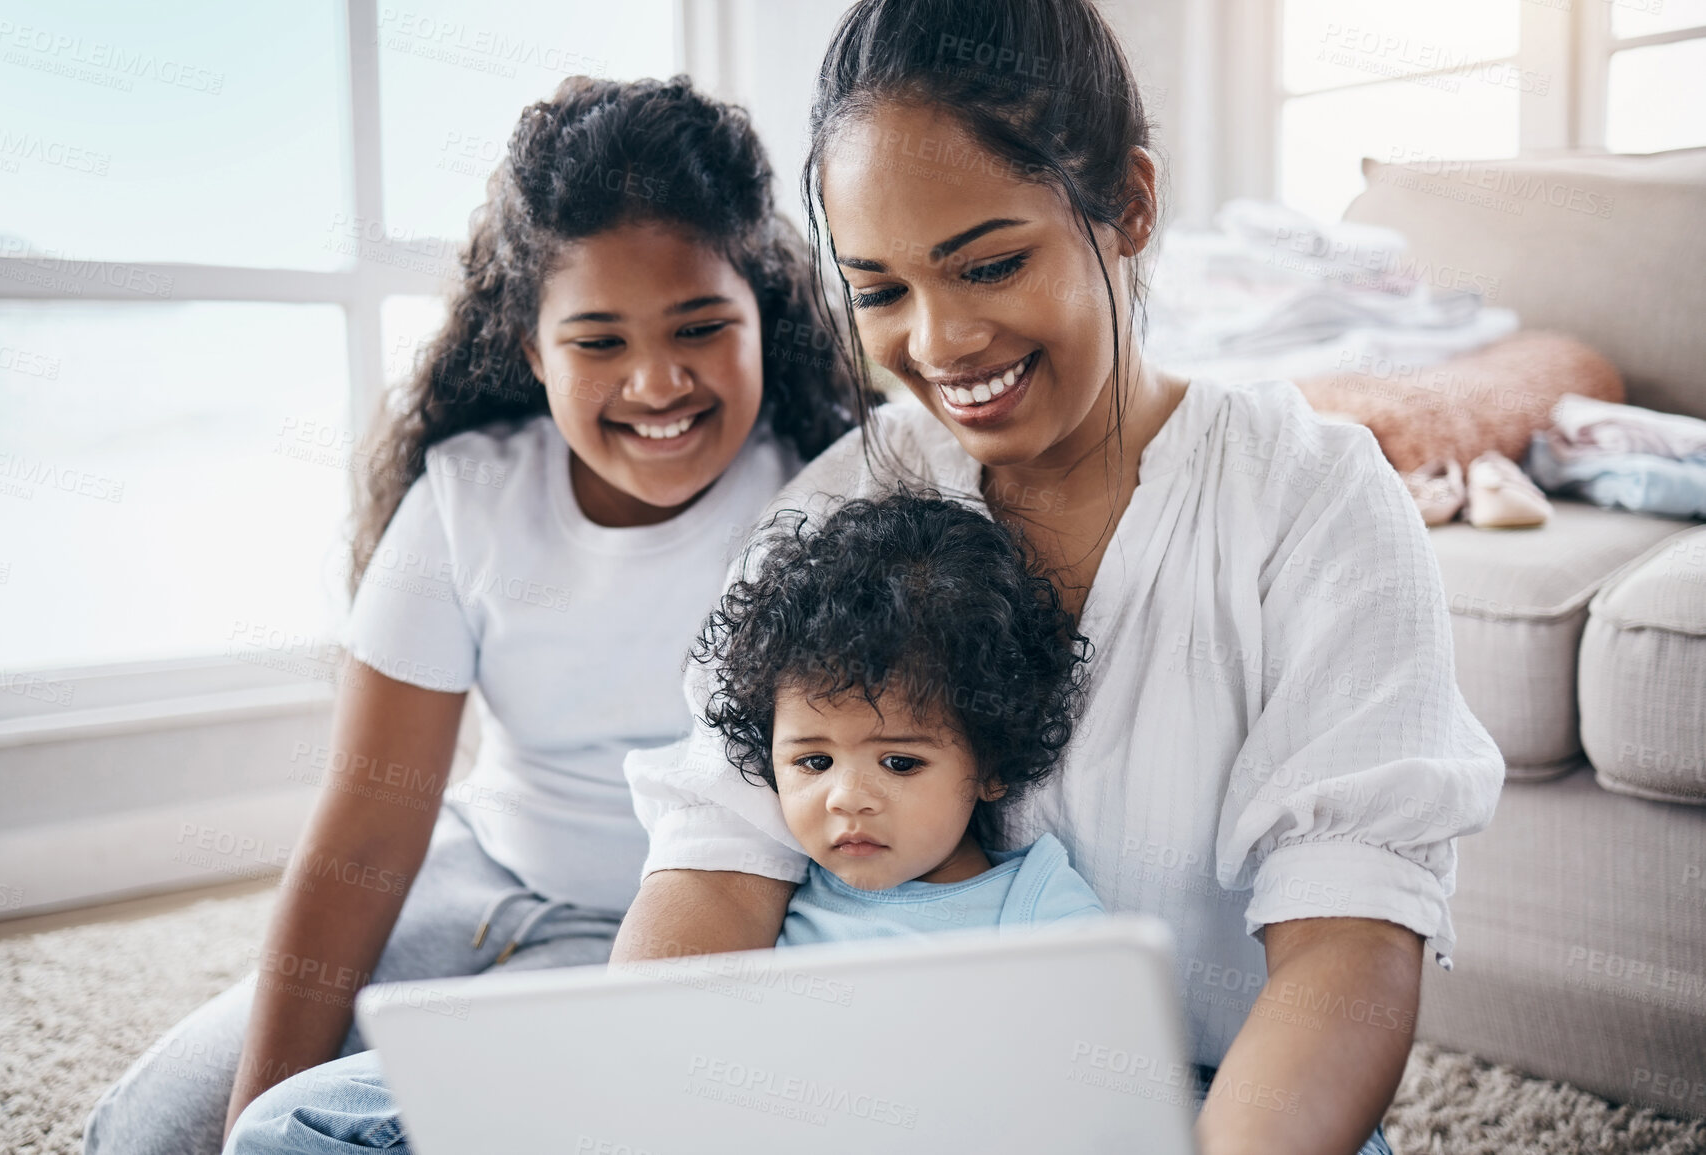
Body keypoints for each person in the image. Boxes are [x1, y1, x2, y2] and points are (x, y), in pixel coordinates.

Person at [614, 3, 1504, 1154]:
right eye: (880, 290)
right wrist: (634, 1109)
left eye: (989, 264)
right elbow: (719, 871)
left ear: (1127, 204)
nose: (938, 344)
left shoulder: (1311, 497)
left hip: (1198, 1106)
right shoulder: (846, 503)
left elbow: (1346, 946)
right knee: (318, 1120)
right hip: (868, 1091)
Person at [84, 75, 857, 1155]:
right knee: (160, 1131)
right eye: (597, 341)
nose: (656, 380)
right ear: (532, 351)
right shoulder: (465, 495)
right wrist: (259, 1112)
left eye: (701, 326)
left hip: (655, 933)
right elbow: (364, 827)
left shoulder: (825, 501)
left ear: (761, 316)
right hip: (472, 877)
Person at [684, 491, 1106, 942]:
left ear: (993, 763)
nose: (846, 799)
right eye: (815, 762)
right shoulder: (770, 899)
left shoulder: (1043, 914)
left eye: (899, 763)